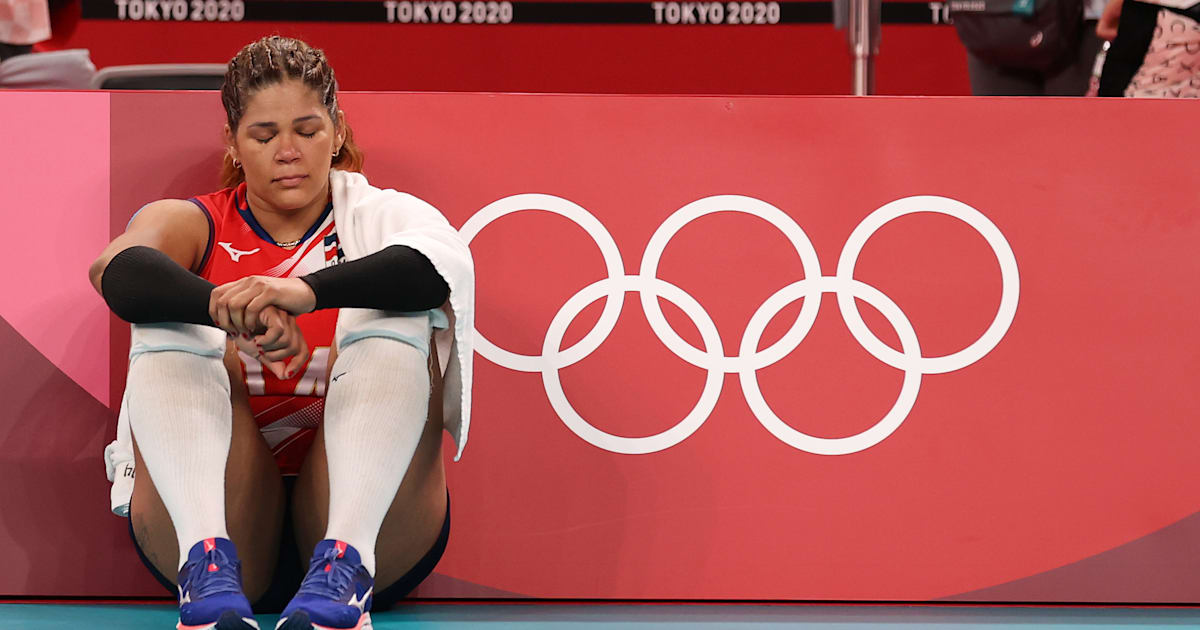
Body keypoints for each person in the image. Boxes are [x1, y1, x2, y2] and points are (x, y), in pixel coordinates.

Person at [90, 36, 474, 630]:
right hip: (231, 514)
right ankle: (206, 565)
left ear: (338, 130)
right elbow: (118, 272)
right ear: (235, 145)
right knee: (167, 316)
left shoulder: (381, 215)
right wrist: (230, 306)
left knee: (397, 313)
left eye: (308, 130)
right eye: (265, 136)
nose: (288, 152)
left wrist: (306, 292)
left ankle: (344, 566)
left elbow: (434, 270)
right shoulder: (194, 221)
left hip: (372, 529)